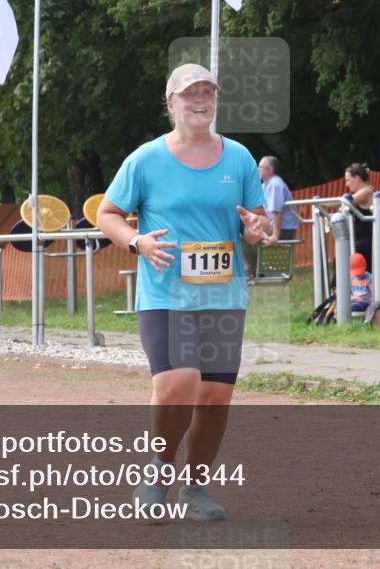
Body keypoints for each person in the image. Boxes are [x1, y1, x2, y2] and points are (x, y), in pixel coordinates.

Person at [96, 63, 269, 522]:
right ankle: (158, 470)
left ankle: (196, 489)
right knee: (178, 384)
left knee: (214, 397)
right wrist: (138, 241)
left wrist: (256, 227)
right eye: (189, 93)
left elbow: (254, 225)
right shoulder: (145, 159)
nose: (200, 100)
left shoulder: (239, 158)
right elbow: (107, 214)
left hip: (223, 296)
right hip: (165, 292)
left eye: (207, 92)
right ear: (170, 104)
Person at [243, 155, 299, 277]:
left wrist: (275, 235)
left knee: (248, 234)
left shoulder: (275, 184)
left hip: (283, 229)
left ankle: (254, 271)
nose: (258, 169)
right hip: (273, 226)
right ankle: (254, 271)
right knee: (246, 232)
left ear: (270, 170)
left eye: (261, 167)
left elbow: (276, 212)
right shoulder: (264, 185)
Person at [343, 162, 376, 271]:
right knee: (342, 257)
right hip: (361, 244)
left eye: (348, 180)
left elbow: (346, 202)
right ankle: (338, 287)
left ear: (357, 178)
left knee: (344, 258)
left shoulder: (367, 192)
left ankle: (338, 287)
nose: (346, 184)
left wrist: (322, 203)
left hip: (367, 244)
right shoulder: (362, 193)